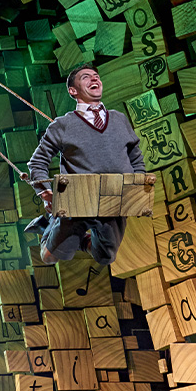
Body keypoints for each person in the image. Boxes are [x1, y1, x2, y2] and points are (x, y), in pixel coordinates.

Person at [24, 64, 154, 265]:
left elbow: (135, 157)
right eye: (86, 77)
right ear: (73, 91)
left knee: (105, 257)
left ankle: (82, 241)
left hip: (114, 200)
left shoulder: (119, 119)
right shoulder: (62, 125)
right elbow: (37, 161)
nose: (95, 79)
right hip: (77, 202)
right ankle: (47, 225)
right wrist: (45, 193)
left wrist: (137, 189)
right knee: (49, 258)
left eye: (96, 76)